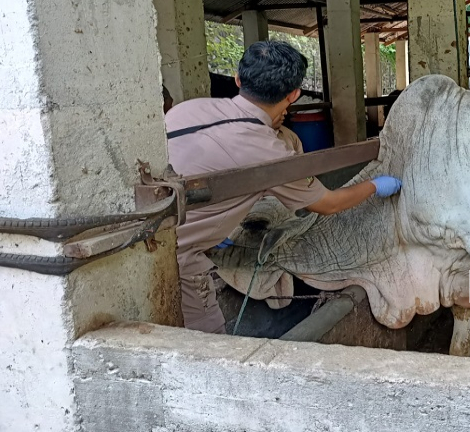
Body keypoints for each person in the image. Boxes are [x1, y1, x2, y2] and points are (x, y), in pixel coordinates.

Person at [165, 41, 402, 333]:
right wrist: (376, 186)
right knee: (210, 345)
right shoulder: (270, 151)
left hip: (147, 232)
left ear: (238, 79)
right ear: (294, 94)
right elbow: (329, 204)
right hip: (175, 254)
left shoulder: (186, 110)